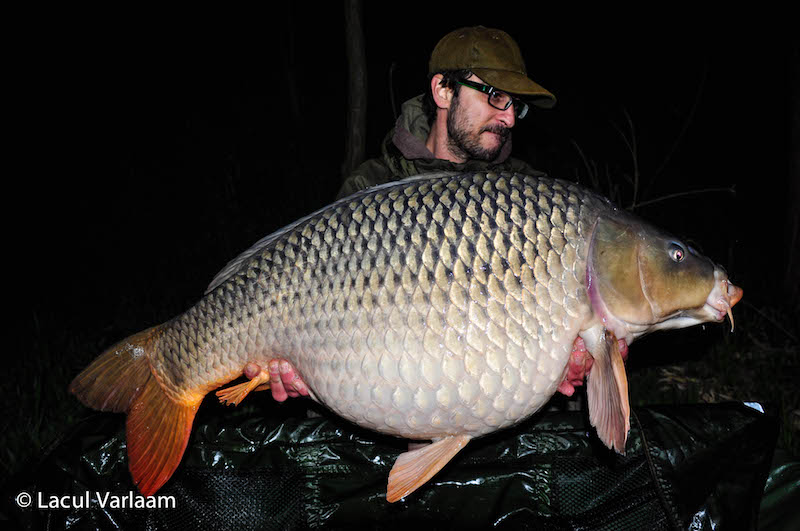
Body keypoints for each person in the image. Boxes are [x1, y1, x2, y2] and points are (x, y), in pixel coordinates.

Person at [256, 26, 626, 404]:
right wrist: (302, 371)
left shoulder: (532, 200)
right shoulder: (370, 186)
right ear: (443, 91)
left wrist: (587, 353)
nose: (510, 118)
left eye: (515, 103)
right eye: (496, 96)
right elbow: (319, 319)